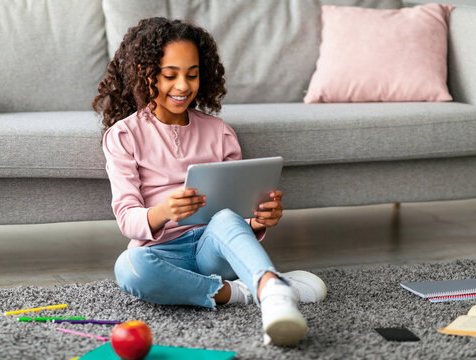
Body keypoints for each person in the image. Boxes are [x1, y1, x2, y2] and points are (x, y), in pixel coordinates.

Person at [93, 17, 326, 346]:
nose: (183, 86)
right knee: (129, 267)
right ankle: (246, 291)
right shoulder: (123, 136)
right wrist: (163, 211)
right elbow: (127, 217)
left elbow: (234, 217)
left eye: (192, 74)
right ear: (145, 74)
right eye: (169, 75)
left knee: (227, 218)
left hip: (213, 249)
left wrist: (258, 218)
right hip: (162, 254)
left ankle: (273, 295)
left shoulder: (219, 132)